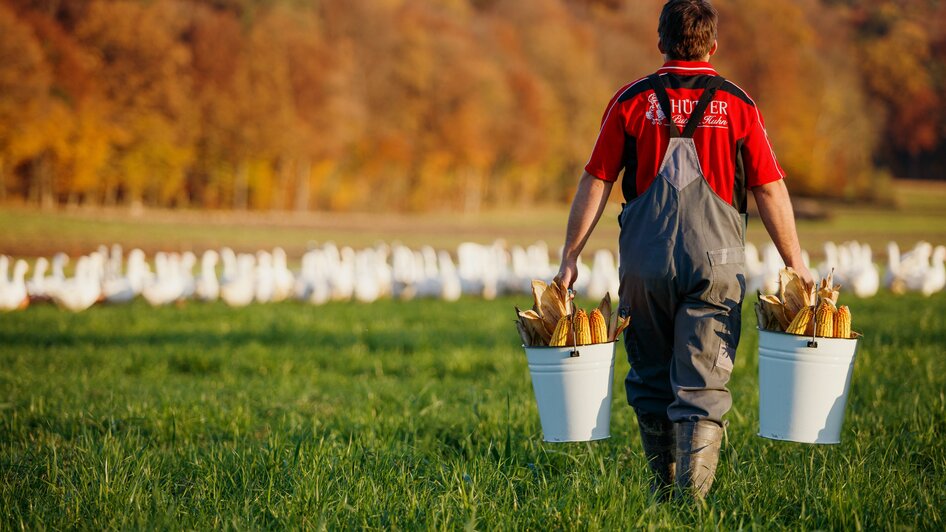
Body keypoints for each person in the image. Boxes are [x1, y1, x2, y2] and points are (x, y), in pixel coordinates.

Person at [553, 0, 813, 500]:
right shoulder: (738, 104)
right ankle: (692, 503)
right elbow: (770, 187)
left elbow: (596, 180)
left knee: (651, 378)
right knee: (703, 384)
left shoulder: (631, 101)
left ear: (660, 42)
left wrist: (571, 255)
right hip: (718, 267)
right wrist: (794, 262)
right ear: (712, 46)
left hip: (645, 266)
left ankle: (662, 489)